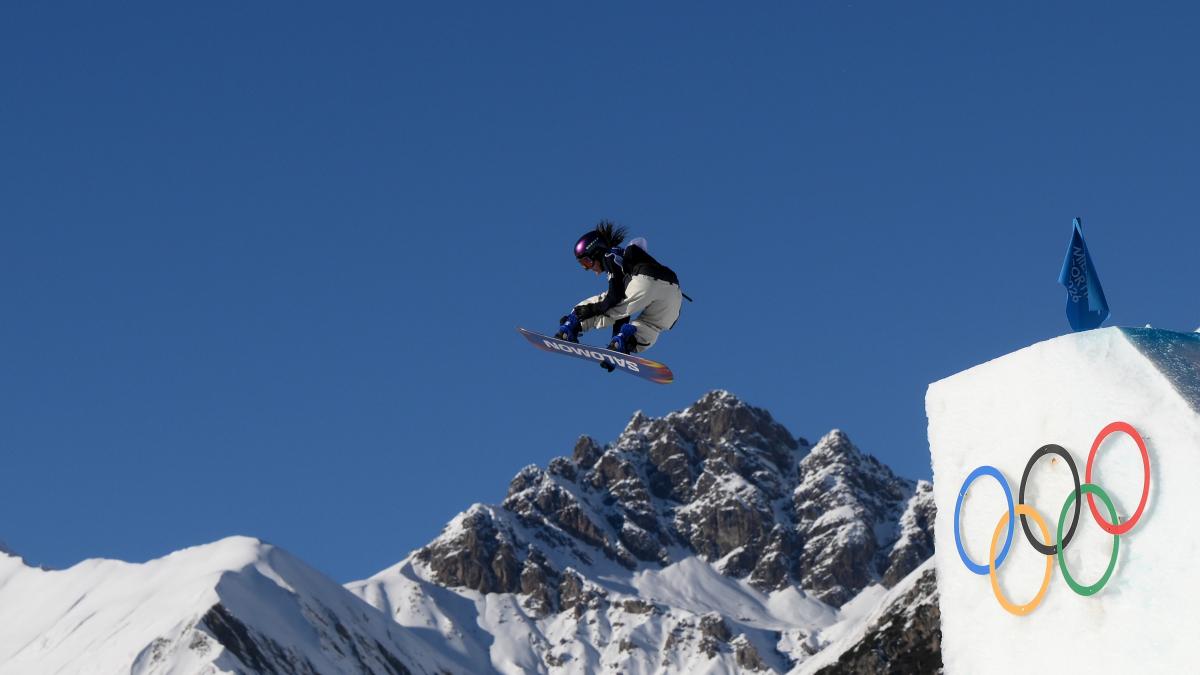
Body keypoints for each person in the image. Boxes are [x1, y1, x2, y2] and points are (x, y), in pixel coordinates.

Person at [555, 221, 685, 371]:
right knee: (652, 325)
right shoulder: (625, 258)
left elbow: (614, 298)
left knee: (605, 307)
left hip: (645, 280)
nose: (588, 268)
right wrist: (615, 348)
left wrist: (591, 309)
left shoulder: (610, 256)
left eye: (587, 262)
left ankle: (572, 324)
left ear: (596, 251)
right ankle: (627, 340)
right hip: (673, 291)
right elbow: (623, 313)